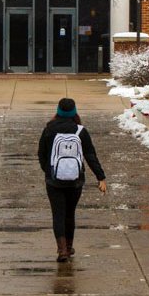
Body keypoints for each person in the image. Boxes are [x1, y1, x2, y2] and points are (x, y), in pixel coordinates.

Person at [38, 98, 107, 263]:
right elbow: (90, 156)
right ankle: (69, 248)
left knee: (58, 214)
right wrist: (101, 177)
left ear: (58, 111)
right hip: (75, 181)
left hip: (54, 180)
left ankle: (61, 250)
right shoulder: (80, 131)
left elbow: (41, 154)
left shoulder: (49, 129)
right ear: (74, 111)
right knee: (69, 214)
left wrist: (49, 171)